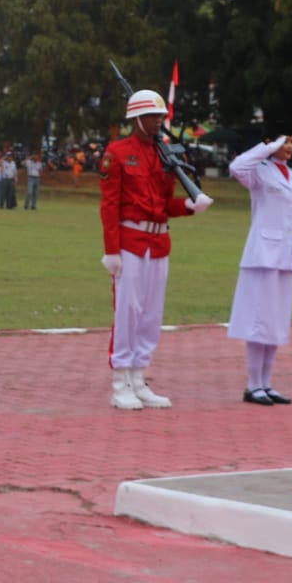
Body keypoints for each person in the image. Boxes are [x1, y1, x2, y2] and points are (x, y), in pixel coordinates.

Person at [99, 88, 212, 409]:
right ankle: (120, 382)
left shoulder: (165, 154)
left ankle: (139, 378)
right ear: (136, 119)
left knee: (150, 314)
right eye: (151, 116)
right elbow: (109, 206)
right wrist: (112, 250)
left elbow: (163, 204)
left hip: (159, 242)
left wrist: (189, 205)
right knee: (128, 312)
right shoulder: (117, 153)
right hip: (130, 242)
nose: (157, 121)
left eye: (160, 116)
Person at [226, 124, 292, 406]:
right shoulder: (259, 170)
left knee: (276, 322)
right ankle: (253, 384)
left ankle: (267, 383)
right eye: (285, 141)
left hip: (287, 254)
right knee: (259, 320)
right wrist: (268, 148)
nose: (289, 147)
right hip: (263, 254)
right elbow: (236, 166)